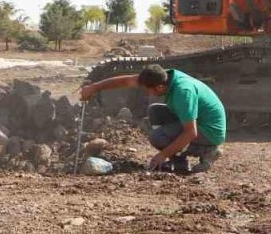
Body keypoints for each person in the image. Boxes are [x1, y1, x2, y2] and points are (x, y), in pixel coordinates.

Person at [80, 64, 226, 173]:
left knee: (157, 137)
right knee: (155, 111)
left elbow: (190, 132)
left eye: (147, 89)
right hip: (200, 120)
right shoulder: (163, 77)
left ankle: (207, 151)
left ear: (161, 87)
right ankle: (179, 161)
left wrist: (162, 155)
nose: (145, 92)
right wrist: (94, 87)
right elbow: (125, 81)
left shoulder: (183, 93)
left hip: (210, 130)